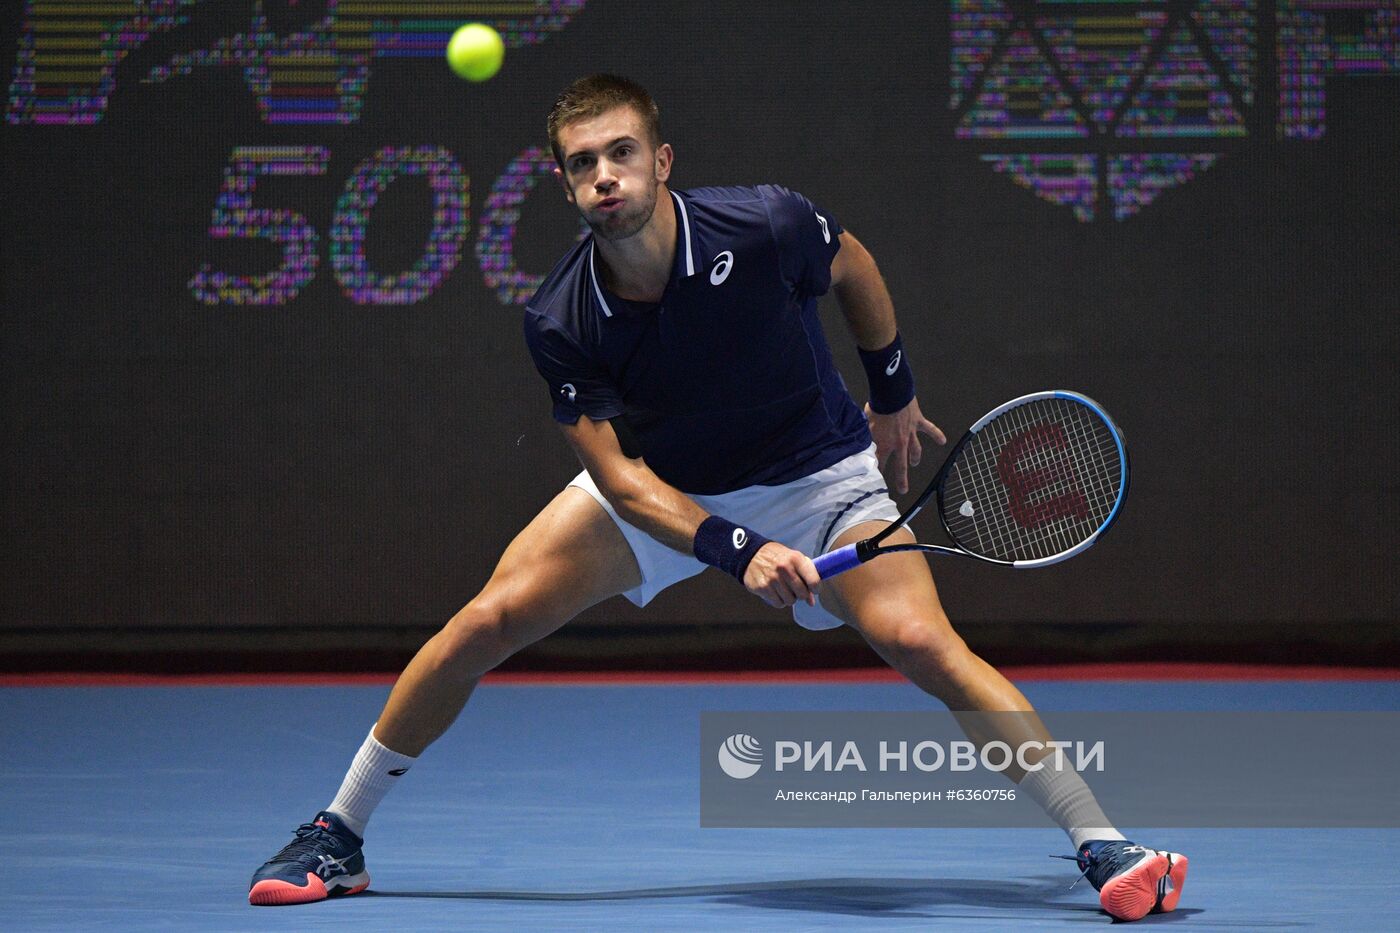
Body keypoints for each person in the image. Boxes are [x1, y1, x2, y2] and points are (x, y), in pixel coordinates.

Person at [249, 74, 1187, 921]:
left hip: (824, 480)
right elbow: (621, 480)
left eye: (622, 153)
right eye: (583, 164)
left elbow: (851, 265)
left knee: (920, 641)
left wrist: (894, 391)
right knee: (484, 620)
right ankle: (338, 833)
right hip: (671, 492)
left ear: (661, 161)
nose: (605, 176)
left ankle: (1102, 843)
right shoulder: (561, 317)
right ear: (565, 185)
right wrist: (737, 549)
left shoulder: (764, 223)